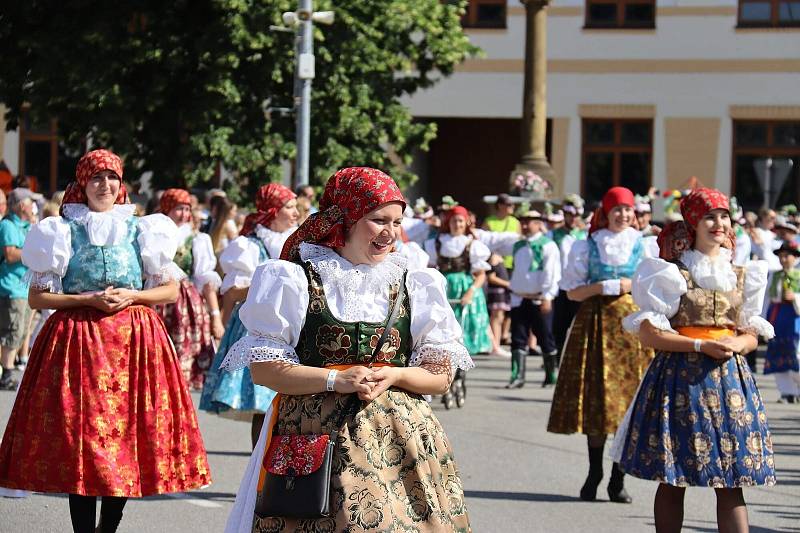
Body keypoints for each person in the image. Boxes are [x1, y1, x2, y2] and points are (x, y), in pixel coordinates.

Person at [220, 167, 472, 533]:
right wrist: (335, 379)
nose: (390, 233)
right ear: (346, 219)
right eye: (378, 220)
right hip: (314, 438)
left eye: (397, 221)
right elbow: (265, 370)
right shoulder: (293, 278)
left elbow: (439, 377)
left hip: (399, 441)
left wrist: (397, 374)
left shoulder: (414, 281)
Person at [0, 150, 210, 533]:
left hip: (133, 345)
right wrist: (87, 299)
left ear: (121, 183)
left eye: (112, 178)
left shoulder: (141, 228)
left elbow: (168, 291)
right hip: (77, 343)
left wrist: (132, 296)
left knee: (127, 439)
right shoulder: (61, 230)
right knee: (80, 438)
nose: (105, 185)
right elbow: (38, 297)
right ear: (82, 184)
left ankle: (107, 529)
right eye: (97, 178)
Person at [615, 188, 775, 532]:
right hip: (680, 379)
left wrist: (740, 342)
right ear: (692, 223)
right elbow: (649, 334)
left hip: (730, 381)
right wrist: (700, 347)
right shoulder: (670, 273)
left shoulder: (743, 274)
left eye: (723, 216)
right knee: (673, 477)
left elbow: (751, 331)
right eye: (709, 216)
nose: (718, 223)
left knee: (732, 479)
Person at [547, 186, 657, 504]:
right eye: (617, 210)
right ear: (606, 213)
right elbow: (571, 292)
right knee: (597, 401)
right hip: (595, 325)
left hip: (632, 329)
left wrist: (630, 286)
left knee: (627, 403)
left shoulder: (644, 245)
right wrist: (601, 286)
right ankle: (594, 471)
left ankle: (617, 478)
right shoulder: (587, 245)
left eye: (628, 210)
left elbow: (654, 289)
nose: (623, 215)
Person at [200, 183, 298, 448]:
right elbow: (232, 293)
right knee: (263, 405)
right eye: (289, 207)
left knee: (289, 403)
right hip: (258, 327)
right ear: (272, 211)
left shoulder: (299, 241)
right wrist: (267, 284)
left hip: (293, 327)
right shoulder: (248, 246)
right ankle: (260, 476)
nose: (295, 213)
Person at [155, 188, 223, 390]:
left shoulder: (196, 239)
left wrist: (215, 315)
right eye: (179, 209)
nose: (184, 214)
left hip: (185, 302)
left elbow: (206, 279)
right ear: (167, 209)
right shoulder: (154, 234)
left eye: (187, 209)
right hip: (157, 298)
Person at [426, 205, 493, 355]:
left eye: (461, 221)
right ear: (448, 223)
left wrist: (471, 292)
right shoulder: (437, 243)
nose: (458, 225)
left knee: (466, 325)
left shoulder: (472, 244)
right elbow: (430, 270)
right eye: (454, 221)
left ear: (466, 223)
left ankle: (462, 370)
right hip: (444, 286)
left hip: (465, 287)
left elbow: (481, 274)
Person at [507, 209, 560, 388]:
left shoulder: (547, 245)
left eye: (529, 221)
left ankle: (551, 375)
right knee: (518, 337)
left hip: (539, 298)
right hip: (519, 298)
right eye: (522, 221)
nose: (524, 224)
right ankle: (517, 376)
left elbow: (551, 272)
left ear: (538, 223)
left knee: (545, 337)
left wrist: (547, 296)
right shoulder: (518, 245)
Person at [0, 188, 35, 390]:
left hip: (24, 289)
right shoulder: (8, 225)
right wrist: (33, 253)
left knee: (21, 333)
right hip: (11, 288)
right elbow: (11, 254)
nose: (34, 208)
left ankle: (8, 371)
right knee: (12, 332)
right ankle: (7, 374)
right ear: (22, 205)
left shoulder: (26, 226)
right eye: (31, 203)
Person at [550, 194, 588, 360]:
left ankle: (576, 358)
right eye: (570, 215)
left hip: (579, 286)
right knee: (559, 325)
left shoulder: (586, 235)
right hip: (560, 286)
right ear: (564, 214)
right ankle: (558, 358)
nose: (573, 219)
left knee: (579, 325)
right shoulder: (553, 235)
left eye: (576, 215)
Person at [764, 241, 800, 403]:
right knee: (778, 352)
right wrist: (763, 319)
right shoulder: (774, 275)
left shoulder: (798, 275)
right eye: (781, 256)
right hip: (777, 315)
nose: (784, 259)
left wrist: (796, 297)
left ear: (795, 258)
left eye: (787, 256)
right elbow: (766, 298)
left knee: (796, 353)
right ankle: (786, 391)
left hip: (795, 316)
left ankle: (797, 388)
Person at [483, 193, 521, 272]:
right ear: (500, 206)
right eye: (509, 204)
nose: (513, 206)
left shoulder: (516, 222)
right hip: (494, 264)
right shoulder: (489, 221)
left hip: (511, 263)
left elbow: (519, 243)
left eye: (512, 204)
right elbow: (483, 243)